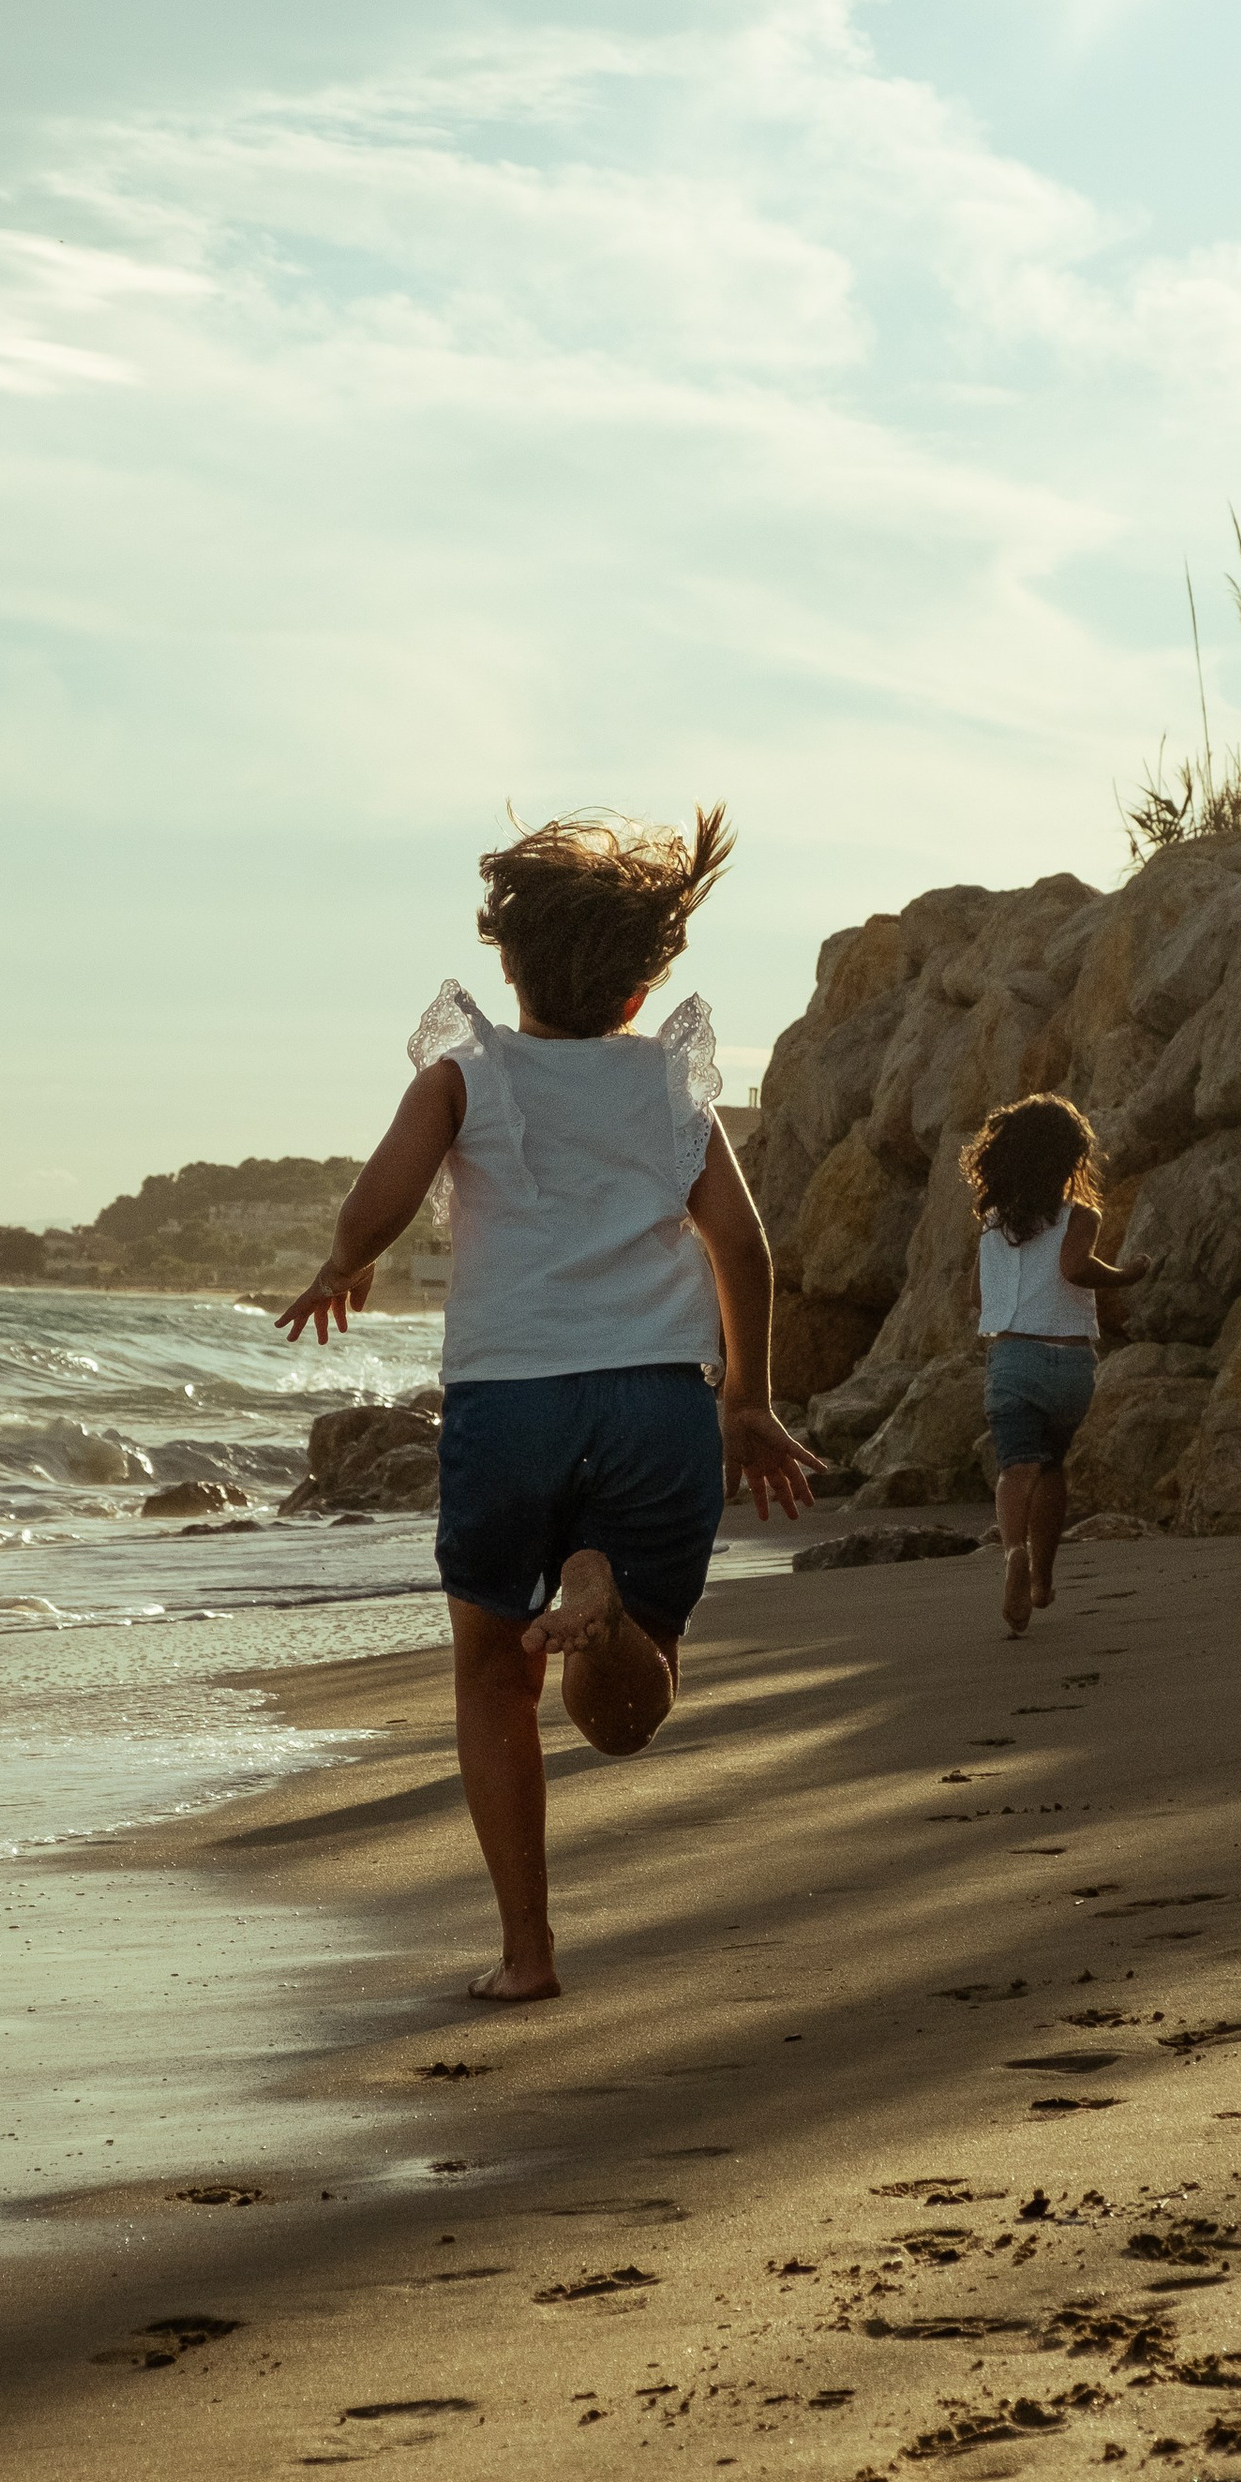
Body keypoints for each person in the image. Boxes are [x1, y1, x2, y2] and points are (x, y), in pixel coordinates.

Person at [280, 806, 821, 2004]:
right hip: (653, 1402)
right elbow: (741, 1245)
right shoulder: (672, 1091)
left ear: (506, 962)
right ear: (643, 990)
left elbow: (382, 1194)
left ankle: (527, 1954)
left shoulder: (467, 1075)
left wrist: (345, 1262)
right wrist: (747, 1401)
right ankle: (608, 1602)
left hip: (509, 1403)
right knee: (627, 1716)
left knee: (490, 1673)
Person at [962, 1092, 1152, 1640]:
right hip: (1071, 1365)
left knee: (1016, 1468)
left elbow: (976, 1294)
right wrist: (1125, 1275)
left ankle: (1014, 1553)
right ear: (1072, 1158)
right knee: (1052, 1469)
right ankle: (1043, 1580)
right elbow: (1075, 1268)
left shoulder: (993, 1223)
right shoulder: (1081, 1215)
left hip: (1013, 1358)